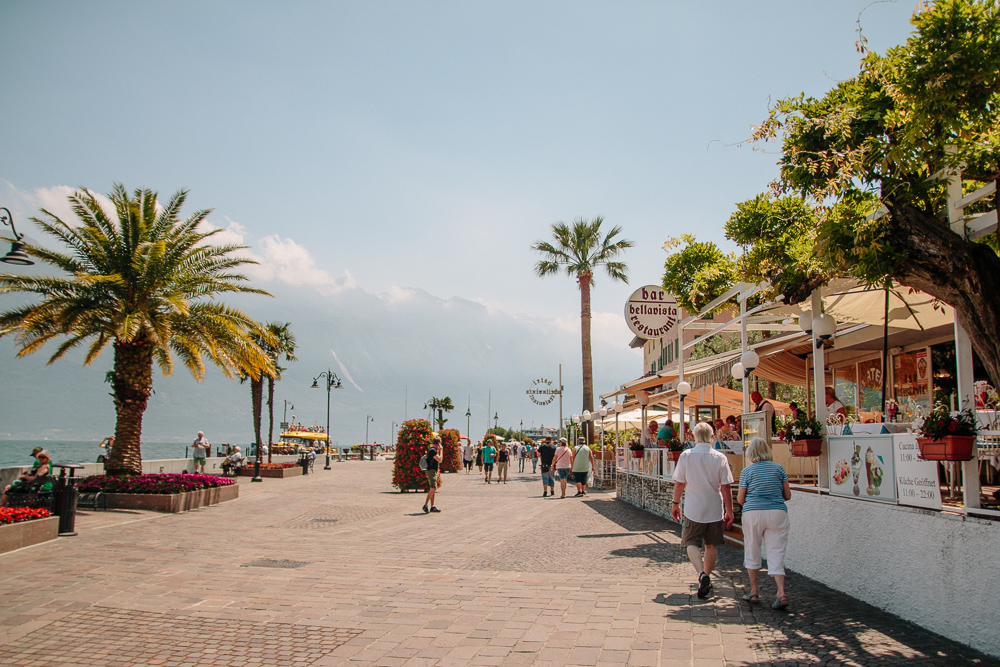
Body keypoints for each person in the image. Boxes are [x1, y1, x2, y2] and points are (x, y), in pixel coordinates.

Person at [671, 421, 735, 599]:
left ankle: (701, 574)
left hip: (694, 507)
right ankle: (706, 576)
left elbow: (680, 483)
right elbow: (726, 487)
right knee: (711, 544)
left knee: (691, 542)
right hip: (714, 508)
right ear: (712, 436)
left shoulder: (686, 456)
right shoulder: (720, 457)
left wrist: (675, 503)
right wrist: (729, 511)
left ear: (693, 436)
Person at [738, 437, 792, 610]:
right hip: (777, 512)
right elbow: (787, 495)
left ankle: (754, 590)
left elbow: (740, 499)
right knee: (776, 551)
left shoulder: (747, 471)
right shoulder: (779, 469)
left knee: (752, 549)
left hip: (753, 513)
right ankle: (781, 592)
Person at [422, 436, 443, 513]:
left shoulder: (432, 450)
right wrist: (441, 450)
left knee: (433, 488)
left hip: (433, 470)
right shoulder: (433, 451)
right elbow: (440, 460)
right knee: (433, 488)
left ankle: (432, 506)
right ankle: (425, 504)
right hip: (431, 471)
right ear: (438, 443)